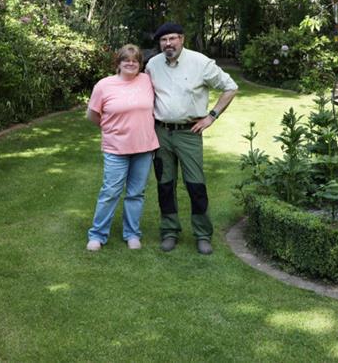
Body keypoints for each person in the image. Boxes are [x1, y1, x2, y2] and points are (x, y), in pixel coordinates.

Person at [146, 23, 238, 255]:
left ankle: (202, 234)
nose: (168, 44)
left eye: (172, 38)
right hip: (161, 134)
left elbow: (230, 87)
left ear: (182, 39)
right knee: (165, 184)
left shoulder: (201, 63)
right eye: (164, 40)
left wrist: (212, 116)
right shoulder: (153, 65)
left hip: (190, 134)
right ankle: (169, 231)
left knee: (195, 185)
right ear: (159, 43)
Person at [86, 44, 159, 251]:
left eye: (135, 60)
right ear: (118, 63)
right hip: (115, 149)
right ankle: (97, 235)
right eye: (126, 60)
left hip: (144, 148)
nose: (130, 63)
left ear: (140, 64)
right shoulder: (104, 85)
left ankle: (132, 234)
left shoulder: (147, 81)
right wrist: (110, 129)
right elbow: (92, 114)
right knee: (110, 192)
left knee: (136, 193)